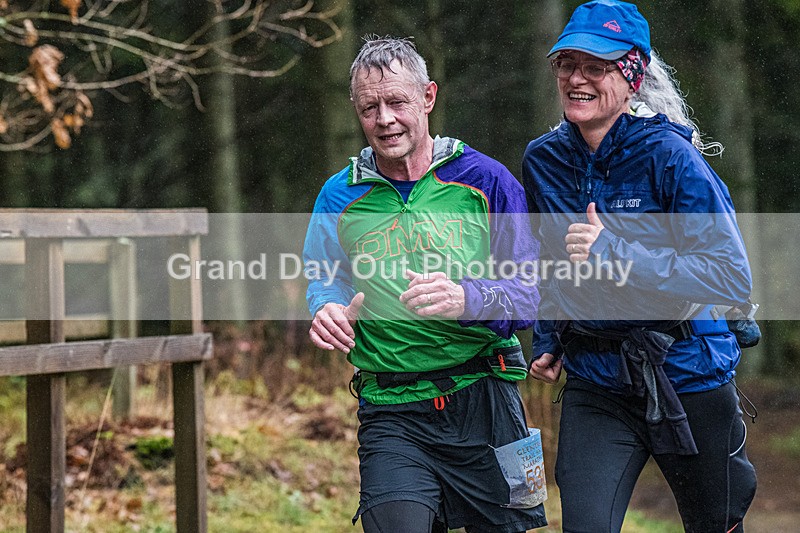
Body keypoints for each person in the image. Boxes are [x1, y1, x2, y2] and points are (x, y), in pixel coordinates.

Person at [522, 1, 757, 532]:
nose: (576, 79)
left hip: (687, 370)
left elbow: (729, 275)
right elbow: (552, 260)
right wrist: (550, 337)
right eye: (567, 64)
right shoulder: (543, 159)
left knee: (715, 524)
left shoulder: (672, 158)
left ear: (632, 77)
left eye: (595, 67)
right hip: (597, 377)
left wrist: (613, 253)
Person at [303, 36, 546, 532]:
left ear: (428, 98)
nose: (385, 119)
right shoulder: (339, 194)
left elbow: (532, 290)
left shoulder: (486, 180)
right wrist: (326, 306)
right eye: (370, 107)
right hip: (392, 409)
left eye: (397, 102)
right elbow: (324, 275)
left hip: (487, 398)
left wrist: (468, 297)